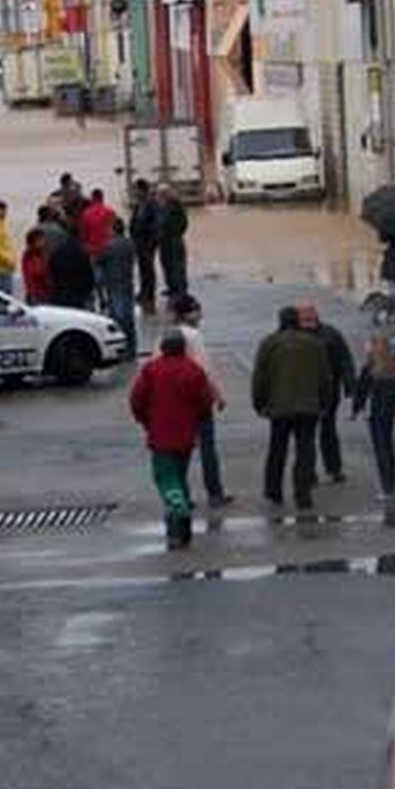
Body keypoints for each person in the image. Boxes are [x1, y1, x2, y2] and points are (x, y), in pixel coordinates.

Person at [129, 330, 216, 550]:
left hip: (160, 433)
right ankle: (182, 529)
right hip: (186, 434)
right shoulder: (193, 370)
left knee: (165, 477)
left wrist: (144, 420)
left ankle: (178, 516)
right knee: (179, 475)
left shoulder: (151, 370)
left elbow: (136, 399)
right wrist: (197, 420)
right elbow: (205, 401)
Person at [251, 306, 334, 512]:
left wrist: (259, 402)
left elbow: (259, 376)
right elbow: (325, 377)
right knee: (305, 449)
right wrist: (325, 402)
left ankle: (274, 490)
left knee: (277, 449)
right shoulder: (315, 344)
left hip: (279, 406)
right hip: (308, 406)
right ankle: (302, 493)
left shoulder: (269, 343)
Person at [172, 294, 231, 507]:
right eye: (198, 310)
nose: (201, 315)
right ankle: (214, 492)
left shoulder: (165, 336)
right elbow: (205, 370)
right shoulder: (194, 336)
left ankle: (182, 494)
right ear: (190, 313)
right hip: (197, 399)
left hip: (175, 402)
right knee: (207, 447)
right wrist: (218, 395)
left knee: (180, 451)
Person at [298, 300, 356, 485]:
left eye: (310, 313)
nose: (308, 317)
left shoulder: (331, 334)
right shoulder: (292, 336)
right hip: (303, 392)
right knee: (306, 434)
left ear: (316, 314)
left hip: (328, 391)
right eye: (304, 315)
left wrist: (349, 385)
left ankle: (334, 469)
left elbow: (345, 359)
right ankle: (309, 471)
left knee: (328, 431)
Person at [353, 331, 395, 502]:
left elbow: (361, 391)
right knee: (388, 447)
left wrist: (356, 409)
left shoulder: (370, 368)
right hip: (388, 412)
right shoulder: (394, 365)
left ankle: (386, 487)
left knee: (380, 448)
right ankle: (391, 483)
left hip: (375, 412)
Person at [103, 218, 139, 361]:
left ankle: (121, 348)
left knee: (118, 317)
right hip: (127, 282)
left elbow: (101, 261)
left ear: (113, 229)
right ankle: (132, 347)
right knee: (128, 316)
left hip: (113, 283)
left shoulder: (109, 245)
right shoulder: (130, 243)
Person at [78, 187, 117, 306]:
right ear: (102, 197)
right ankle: (111, 296)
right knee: (110, 274)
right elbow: (115, 230)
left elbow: (83, 234)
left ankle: (101, 299)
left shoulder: (86, 214)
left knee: (96, 276)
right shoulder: (110, 212)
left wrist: (84, 247)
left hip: (93, 249)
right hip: (109, 248)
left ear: (92, 198)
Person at [130, 178, 161, 315]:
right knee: (143, 268)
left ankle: (149, 294)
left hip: (147, 242)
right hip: (139, 242)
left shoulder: (151, 204)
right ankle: (144, 292)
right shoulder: (139, 204)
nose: (135, 192)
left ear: (142, 190)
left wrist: (150, 238)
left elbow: (155, 224)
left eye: (136, 189)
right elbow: (134, 221)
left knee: (148, 268)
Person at [47, 230, 96, 309]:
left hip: (61, 292)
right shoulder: (82, 252)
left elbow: (51, 271)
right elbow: (88, 273)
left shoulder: (56, 252)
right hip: (79, 292)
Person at [157, 185, 189, 297]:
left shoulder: (175, 205)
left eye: (161, 194)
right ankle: (171, 287)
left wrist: (176, 233)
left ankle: (181, 290)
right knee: (166, 265)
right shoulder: (161, 206)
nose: (159, 196)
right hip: (163, 241)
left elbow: (184, 223)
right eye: (159, 194)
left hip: (174, 241)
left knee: (177, 267)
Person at [20, 229, 51, 304]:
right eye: (40, 240)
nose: (43, 243)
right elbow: (29, 277)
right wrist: (32, 294)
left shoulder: (44, 254)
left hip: (47, 293)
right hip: (37, 295)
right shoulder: (29, 256)